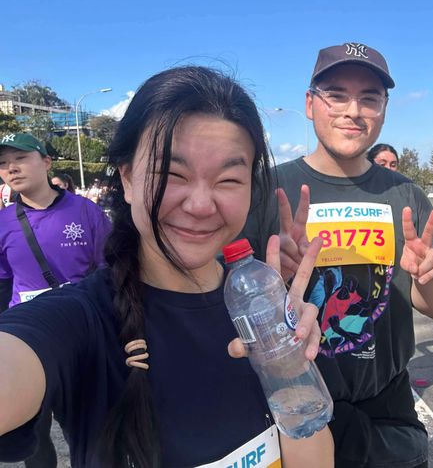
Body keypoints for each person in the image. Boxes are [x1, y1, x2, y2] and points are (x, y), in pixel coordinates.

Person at [0, 67, 333, 467]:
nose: (200, 204)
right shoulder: (81, 319)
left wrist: (287, 367)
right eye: (172, 174)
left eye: (229, 179)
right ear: (126, 178)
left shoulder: (261, 307)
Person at [244, 42, 433, 468]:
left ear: (384, 109)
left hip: (389, 413)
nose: (353, 110)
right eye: (337, 94)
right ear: (310, 104)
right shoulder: (266, 190)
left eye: (369, 98)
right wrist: (275, 281)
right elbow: (232, 299)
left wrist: (427, 276)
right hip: (295, 411)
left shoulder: (405, 194)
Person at [0, 132, 112, 467]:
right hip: (31, 341)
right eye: (3, 163)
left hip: (80, 335)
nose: (11, 169)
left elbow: (110, 271)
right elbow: (3, 282)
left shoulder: (85, 211)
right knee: (34, 439)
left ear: (46, 162)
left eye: (20, 158)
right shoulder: (3, 223)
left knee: (88, 431)